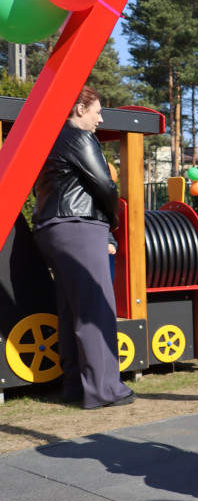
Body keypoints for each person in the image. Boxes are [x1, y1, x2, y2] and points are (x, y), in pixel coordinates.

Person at [33, 86, 136, 410]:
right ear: (79, 109)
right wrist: (113, 219)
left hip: (51, 227)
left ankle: (75, 384)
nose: (100, 118)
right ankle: (106, 389)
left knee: (70, 309)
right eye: (97, 111)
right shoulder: (78, 136)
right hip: (79, 225)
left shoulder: (50, 140)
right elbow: (105, 183)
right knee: (96, 309)